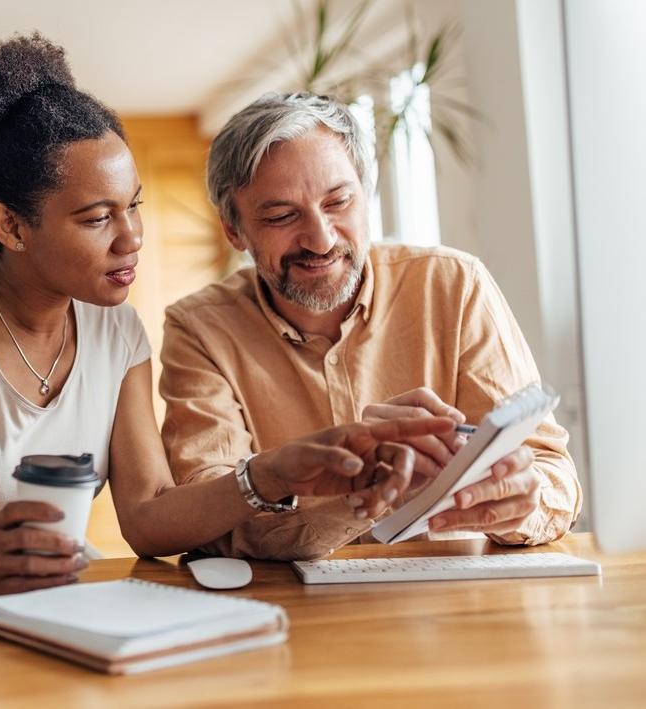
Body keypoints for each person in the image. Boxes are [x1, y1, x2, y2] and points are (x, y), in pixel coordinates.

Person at [0, 37, 453, 600]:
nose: (131, 238)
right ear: (11, 225)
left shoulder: (114, 330)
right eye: (96, 218)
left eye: (134, 206)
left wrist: (270, 474)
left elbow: (148, 514)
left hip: (59, 607)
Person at [159, 92, 582, 561]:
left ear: (366, 194)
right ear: (235, 230)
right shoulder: (199, 328)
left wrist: (522, 502)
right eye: (281, 216)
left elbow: (553, 474)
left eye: (338, 201)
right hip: (301, 617)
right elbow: (211, 516)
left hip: (460, 600)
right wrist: (367, 498)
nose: (320, 239)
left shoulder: (453, 284)